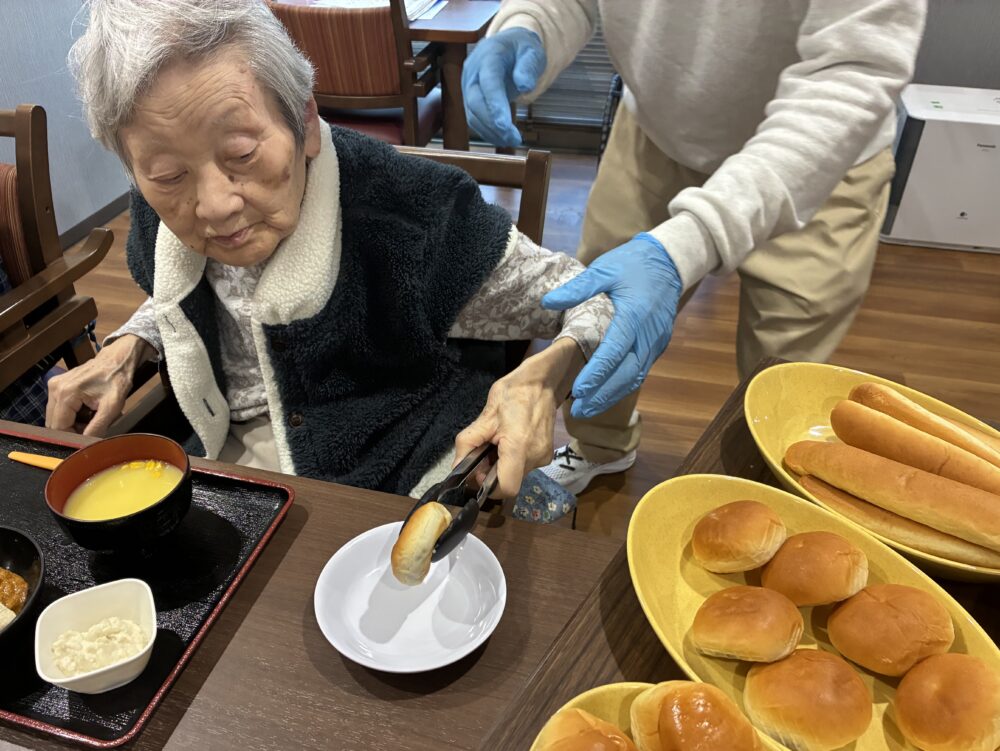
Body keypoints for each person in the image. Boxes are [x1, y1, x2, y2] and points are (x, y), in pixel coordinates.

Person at [47, 0, 612, 513]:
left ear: (305, 123)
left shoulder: (412, 218)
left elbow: (600, 298)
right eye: (168, 175)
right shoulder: (158, 214)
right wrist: (131, 344)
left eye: (241, 153)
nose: (214, 207)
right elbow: (202, 292)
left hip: (394, 486)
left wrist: (543, 378)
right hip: (232, 477)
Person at [463, 1, 926, 493]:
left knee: (785, 364)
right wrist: (528, 26)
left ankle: (764, 484)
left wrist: (694, 239)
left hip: (818, 157)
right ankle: (598, 447)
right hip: (657, 133)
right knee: (601, 313)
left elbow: (854, 68)